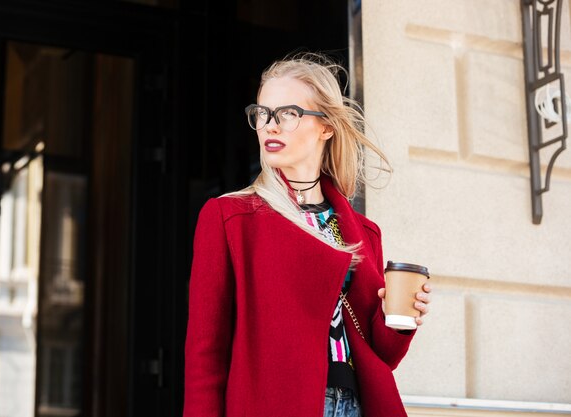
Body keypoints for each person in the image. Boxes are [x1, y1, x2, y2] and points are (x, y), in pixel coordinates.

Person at [183, 52, 431, 417]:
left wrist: (402, 317)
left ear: (326, 125)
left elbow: (382, 355)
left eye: (288, 114)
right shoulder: (229, 217)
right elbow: (205, 354)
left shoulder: (362, 232)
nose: (270, 126)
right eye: (263, 114)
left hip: (356, 405)